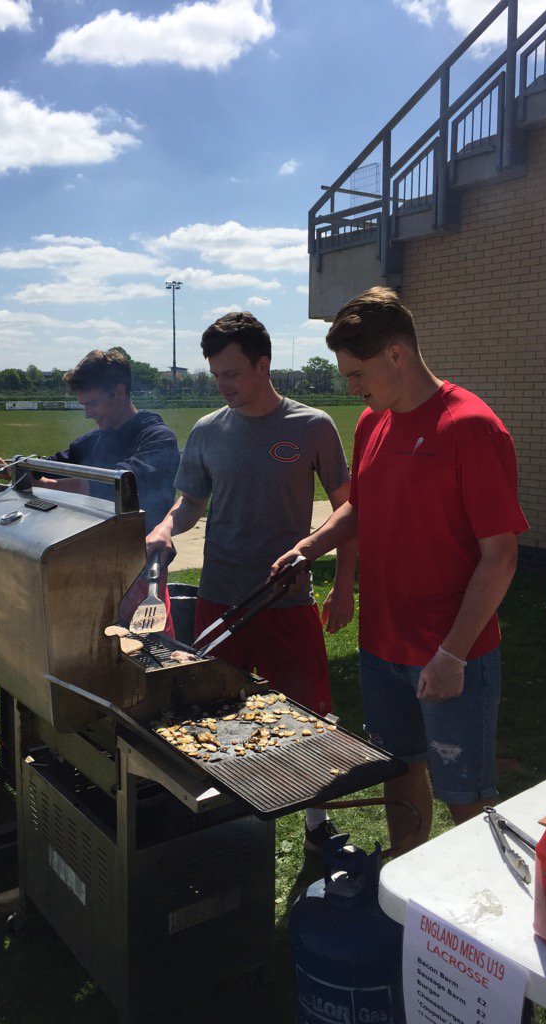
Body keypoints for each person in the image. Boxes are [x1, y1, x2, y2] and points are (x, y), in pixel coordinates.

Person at [272, 287, 529, 853]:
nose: (352, 388)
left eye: (356, 374)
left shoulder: (471, 428)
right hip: (381, 645)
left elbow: (501, 556)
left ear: (396, 354)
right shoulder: (373, 423)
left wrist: (453, 654)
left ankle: (478, 901)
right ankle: (404, 886)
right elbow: (360, 508)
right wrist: (309, 547)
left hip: (451, 651)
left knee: (465, 797)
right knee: (399, 774)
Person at [145, 311, 357, 852]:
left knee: (308, 712)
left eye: (233, 374)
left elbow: (350, 508)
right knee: (218, 711)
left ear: (264, 365)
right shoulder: (208, 430)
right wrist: (166, 526)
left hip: (287, 600)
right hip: (221, 597)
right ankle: (228, 821)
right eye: (217, 375)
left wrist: (343, 583)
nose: (223, 385)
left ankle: (316, 823)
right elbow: (191, 502)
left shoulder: (312, 426)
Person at [0, 348, 180, 626]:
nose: (87, 414)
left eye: (93, 403)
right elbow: (52, 464)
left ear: (120, 392)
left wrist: (46, 484)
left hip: (140, 573)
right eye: (84, 405)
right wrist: (14, 468)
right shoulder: (92, 440)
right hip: (89, 567)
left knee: (146, 642)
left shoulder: (157, 439)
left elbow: (116, 484)